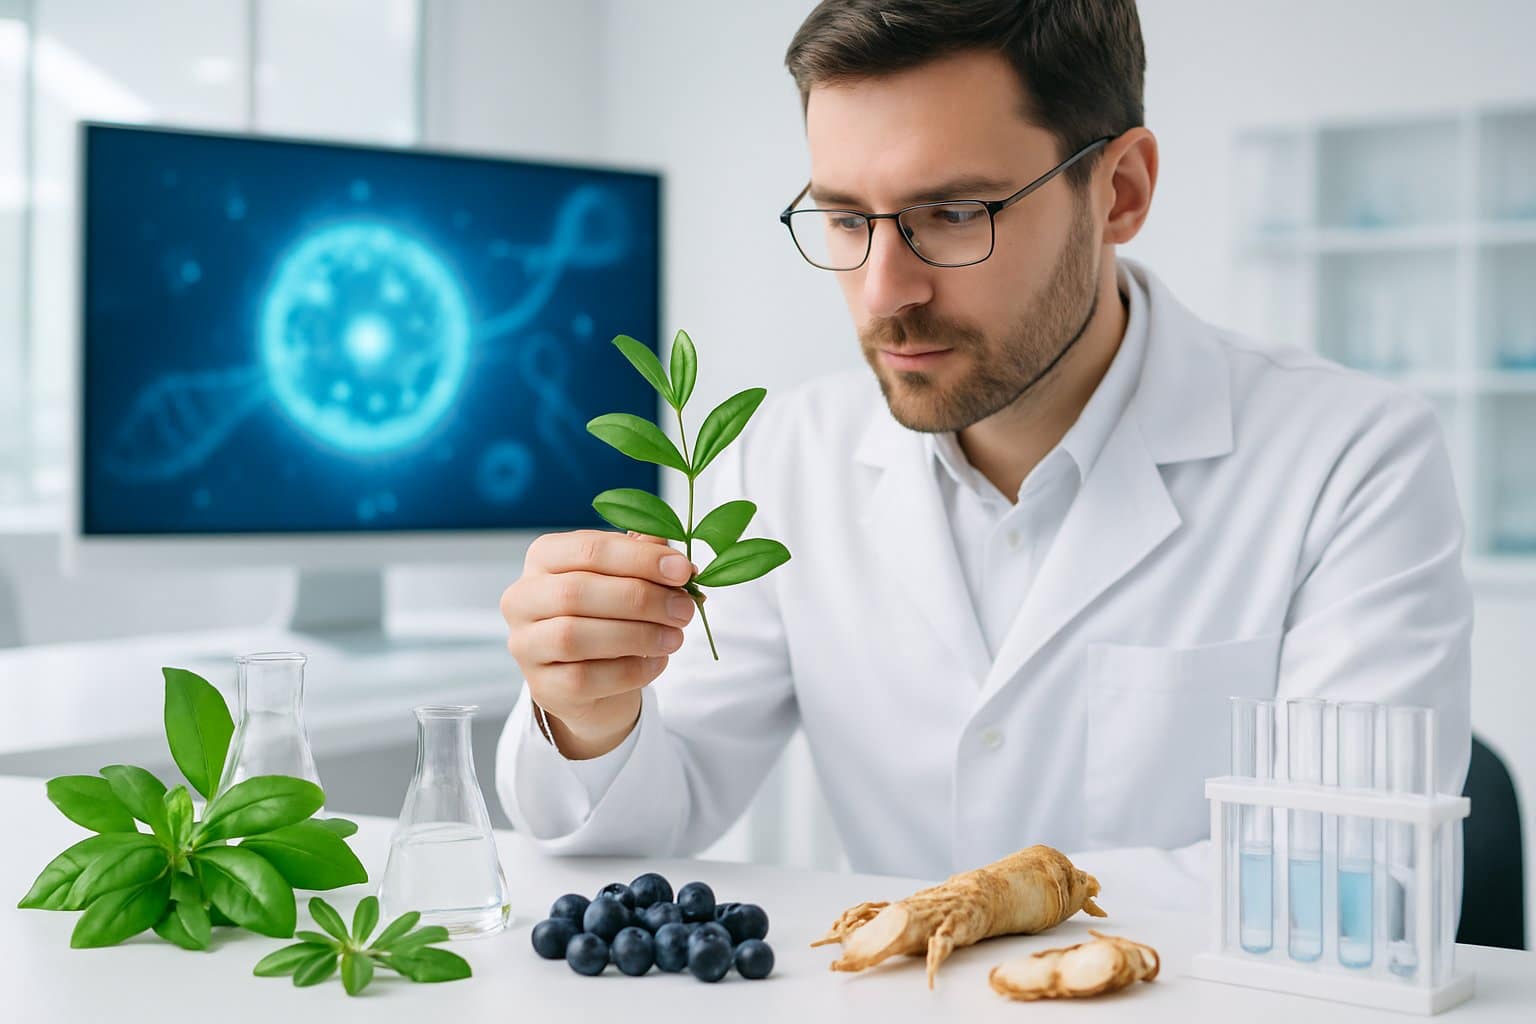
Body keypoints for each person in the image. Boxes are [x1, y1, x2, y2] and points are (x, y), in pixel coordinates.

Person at [494, 0, 1471, 904]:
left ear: (1120, 191)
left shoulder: (1352, 459)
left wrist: (991, 906)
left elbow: (1358, 880)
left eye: (953, 215)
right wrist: (588, 713)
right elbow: (659, 806)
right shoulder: (786, 458)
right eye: (844, 219)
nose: (884, 291)